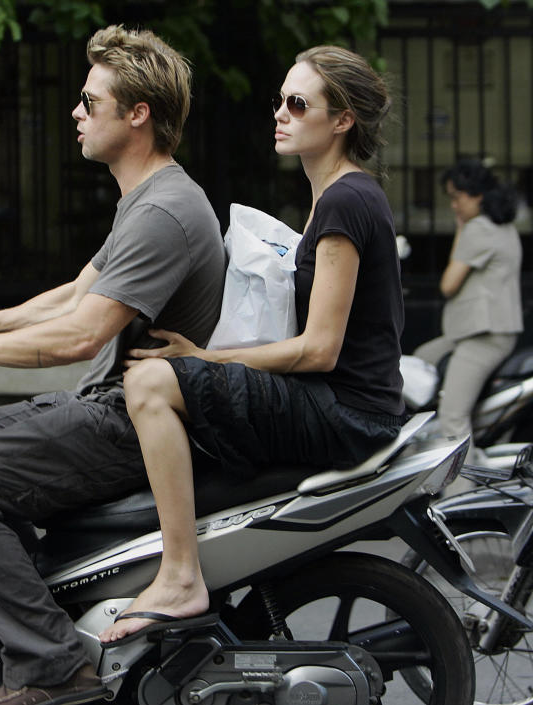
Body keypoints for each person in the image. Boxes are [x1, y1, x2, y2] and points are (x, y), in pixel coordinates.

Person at [0, 25, 226, 705]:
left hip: (123, 421)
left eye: (88, 100)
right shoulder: (146, 201)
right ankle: (28, 606)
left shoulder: (166, 210)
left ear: (138, 115)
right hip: (102, 404)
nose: (75, 112)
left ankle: (52, 664)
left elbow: (79, 333)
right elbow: (74, 293)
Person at [98, 45, 406, 645]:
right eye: (280, 100)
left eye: (298, 103)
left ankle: (181, 575)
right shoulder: (337, 196)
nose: (281, 114)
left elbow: (319, 349)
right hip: (340, 402)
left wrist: (204, 360)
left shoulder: (345, 199)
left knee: (152, 381)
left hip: (349, 414)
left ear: (342, 120)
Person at [414, 159, 522, 457]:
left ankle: (461, 495)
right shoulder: (504, 227)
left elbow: (449, 284)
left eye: (456, 197)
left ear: (477, 195)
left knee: (454, 417)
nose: (454, 205)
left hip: (482, 337)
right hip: (480, 333)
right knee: (422, 358)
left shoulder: (479, 230)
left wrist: (462, 229)